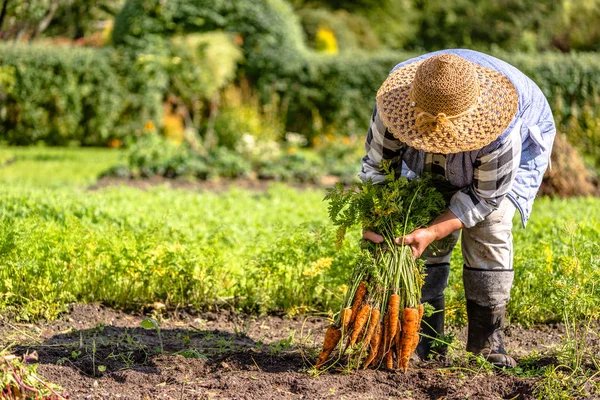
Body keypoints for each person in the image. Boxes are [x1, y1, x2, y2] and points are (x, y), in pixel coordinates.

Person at [359, 49, 556, 368]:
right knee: (418, 234)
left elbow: (485, 197)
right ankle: (425, 340)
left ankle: (487, 342)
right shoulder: (395, 106)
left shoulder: (498, 127)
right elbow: (378, 169)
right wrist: (376, 219)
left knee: (489, 228)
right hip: (428, 147)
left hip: (504, 163)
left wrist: (434, 230)